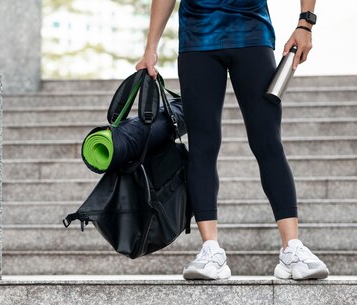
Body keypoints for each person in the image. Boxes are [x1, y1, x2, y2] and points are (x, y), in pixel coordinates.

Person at [136, 0, 329, 280]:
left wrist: (305, 23)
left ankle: (292, 249)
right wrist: (150, 47)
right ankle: (210, 250)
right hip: (197, 40)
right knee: (202, 145)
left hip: (252, 35)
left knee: (267, 142)